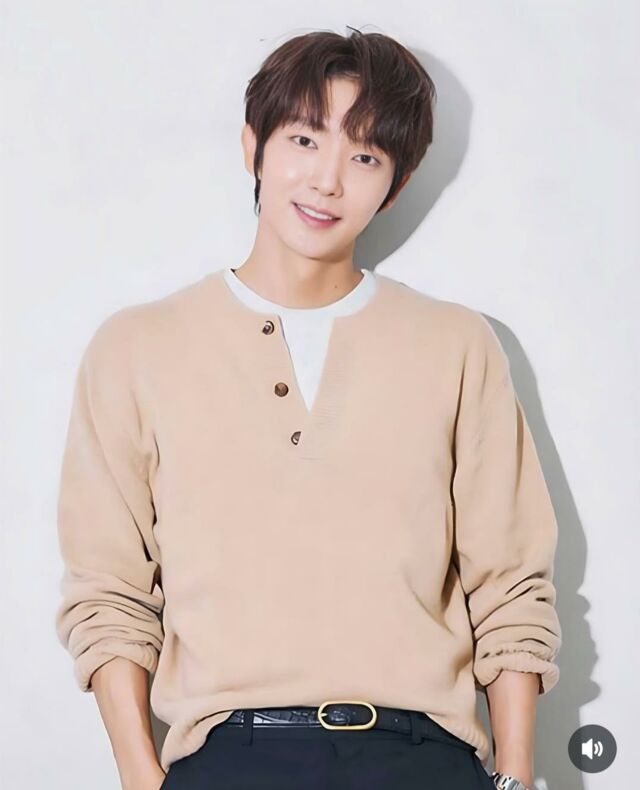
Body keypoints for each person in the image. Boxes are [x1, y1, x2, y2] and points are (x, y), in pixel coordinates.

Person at [54, 27, 561, 790]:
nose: (327, 180)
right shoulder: (137, 348)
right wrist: (140, 777)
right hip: (231, 756)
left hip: (424, 756)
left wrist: (516, 776)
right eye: (304, 139)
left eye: (365, 157)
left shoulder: (457, 345)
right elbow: (109, 591)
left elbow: (511, 582)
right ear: (252, 146)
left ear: (396, 184)